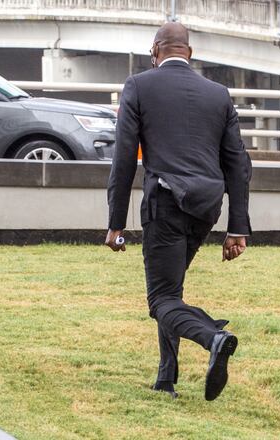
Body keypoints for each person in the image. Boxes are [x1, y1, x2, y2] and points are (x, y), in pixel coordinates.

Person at [105, 22, 251, 401]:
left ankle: (213, 338)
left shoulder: (139, 85)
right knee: (172, 290)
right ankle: (166, 377)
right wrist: (237, 229)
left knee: (161, 300)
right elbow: (238, 164)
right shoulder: (219, 94)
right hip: (207, 208)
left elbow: (123, 159)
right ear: (190, 52)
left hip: (165, 203)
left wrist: (115, 224)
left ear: (155, 51)